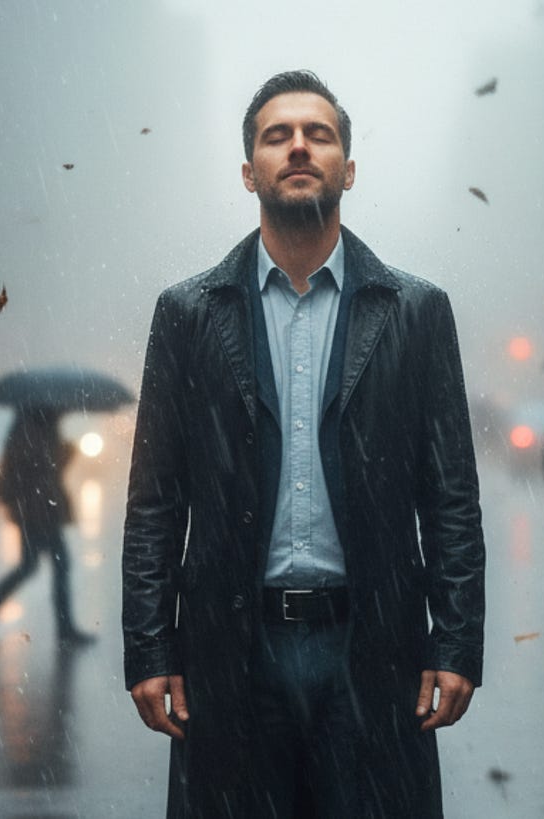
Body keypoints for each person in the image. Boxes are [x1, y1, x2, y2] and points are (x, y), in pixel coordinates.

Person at [121, 70, 485, 818]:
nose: (297, 147)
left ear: (347, 169)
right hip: (231, 648)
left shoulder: (414, 312)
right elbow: (155, 498)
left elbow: (450, 495)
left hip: (373, 646)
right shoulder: (189, 314)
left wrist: (455, 644)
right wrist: (151, 649)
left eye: (318, 135)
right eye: (276, 135)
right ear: (249, 170)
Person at [0, 408, 93, 648]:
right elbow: (39, 467)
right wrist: (64, 452)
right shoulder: (33, 426)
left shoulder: (37, 425)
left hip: (39, 508)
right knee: (54, 565)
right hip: (37, 510)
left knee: (33, 566)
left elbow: (44, 467)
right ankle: (63, 629)